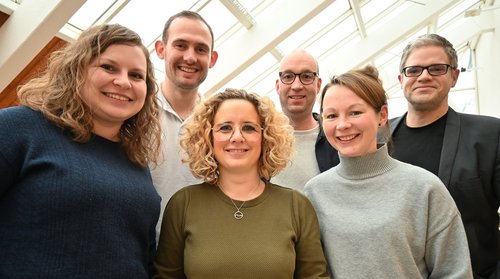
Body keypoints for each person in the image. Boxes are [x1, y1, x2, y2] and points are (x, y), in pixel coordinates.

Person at [0, 24, 162, 278]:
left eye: (136, 75)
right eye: (108, 67)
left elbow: (143, 256)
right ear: (76, 69)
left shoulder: (136, 162)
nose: (123, 82)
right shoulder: (18, 127)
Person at [304, 65, 473, 278]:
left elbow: (454, 272)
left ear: (382, 115)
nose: (343, 125)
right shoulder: (315, 192)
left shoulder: (424, 187)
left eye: (355, 112)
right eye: (331, 116)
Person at [154, 88, 330, 279]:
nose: (237, 137)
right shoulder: (183, 204)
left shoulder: (297, 206)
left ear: (266, 136)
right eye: (225, 128)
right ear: (207, 137)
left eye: (249, 127)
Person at [391, 33, 500, 279]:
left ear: (454, 76)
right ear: (401, 79)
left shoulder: (490, 135)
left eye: (437, 68)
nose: (424, 76)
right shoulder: (377, 139)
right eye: (414, 70)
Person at [150, 10, 219, 241]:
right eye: (180, 45)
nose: (190, 57)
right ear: (161, 49)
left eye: (201, 49)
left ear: (212, 58)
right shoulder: (135, 110)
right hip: (138, 253)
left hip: (198, 255)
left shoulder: (219, 121)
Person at [272, 49, 339, 191]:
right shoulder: (258, 139)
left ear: (318, 85)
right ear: (278, 86)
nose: (297, 86)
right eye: (288, 76)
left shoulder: (337, 138)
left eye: (307, 76)